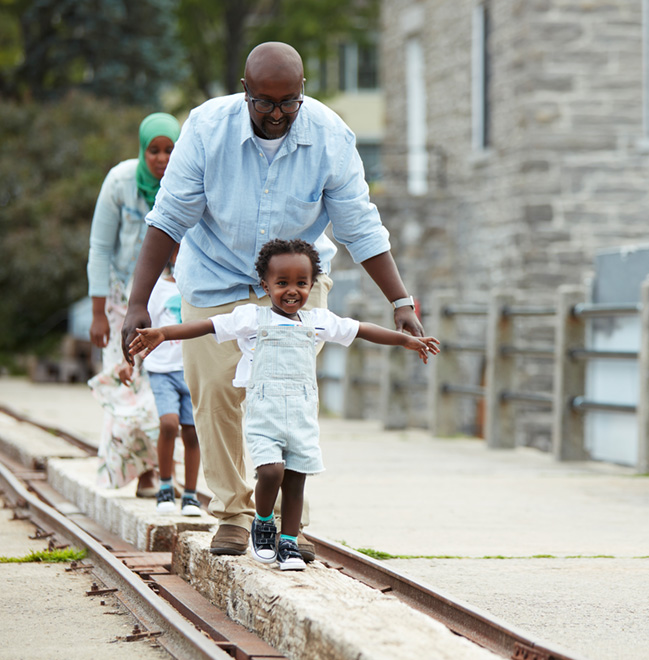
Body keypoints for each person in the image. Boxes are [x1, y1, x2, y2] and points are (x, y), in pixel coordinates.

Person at [121, 42, 425, 560]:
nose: (278, 114)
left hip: (293, 287)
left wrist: (401, 301)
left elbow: (360, 226)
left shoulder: (329, 135)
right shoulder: (206, 128)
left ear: (302, 92)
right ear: (246, 93)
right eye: (265, 103)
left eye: (289, 102)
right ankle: (236, 513)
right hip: (214, 277)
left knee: (284, 398)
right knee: (217, 395)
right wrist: (137, 303)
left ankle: (289, 525)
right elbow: (168, 219)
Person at [129, 239, 439, 569]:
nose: (292, 291)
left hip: (302, 415)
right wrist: (163, 333)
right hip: (265, 415)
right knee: (271, 470)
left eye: (301, 283)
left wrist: (406, 339)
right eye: (282, 283)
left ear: (311, 284)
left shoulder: (317, 320)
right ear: (265, 285)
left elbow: (361, 330)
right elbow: (207, 325)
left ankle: (288, 542)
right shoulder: (252, 318)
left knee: (295, 478)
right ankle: (263, 520)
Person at [87, 111, 181, 495]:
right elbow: (99, 248)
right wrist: (98, 314)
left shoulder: (184, 181)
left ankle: (161, 473)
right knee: (129, 384)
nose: (161, 159)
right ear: (142, 150)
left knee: (163, 381)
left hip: (166, 298)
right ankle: (142, 473)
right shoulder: (120, 183)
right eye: (153, 150)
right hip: (119, 299)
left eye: (169, 150)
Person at [143, 244, 202, 516]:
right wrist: (126, 361)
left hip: (192, 370)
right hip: (162, 370)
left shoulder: (201, 290)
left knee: (192, 432)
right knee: (169, 424)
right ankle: (165, 486)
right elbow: (145, 327)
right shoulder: (159, 290)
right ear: (172, 256)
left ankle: (190, 495)